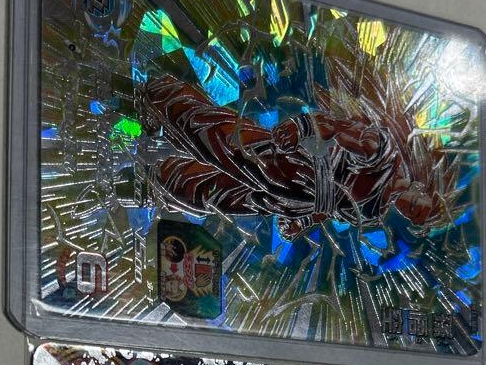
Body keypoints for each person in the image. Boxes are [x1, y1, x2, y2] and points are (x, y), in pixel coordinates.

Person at [140, 75, 452, 241]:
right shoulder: (384, 156)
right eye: (418, 206)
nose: (409, 211)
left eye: (414, 217)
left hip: (292, 201)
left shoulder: (373, 213)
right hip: (299, 167)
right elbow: (339, 128)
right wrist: (300, 126)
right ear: (421, 189)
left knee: (214, 196)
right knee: (222, 140)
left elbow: (328, 210)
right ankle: (158, 93)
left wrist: (302, 221)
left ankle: (153, 180)